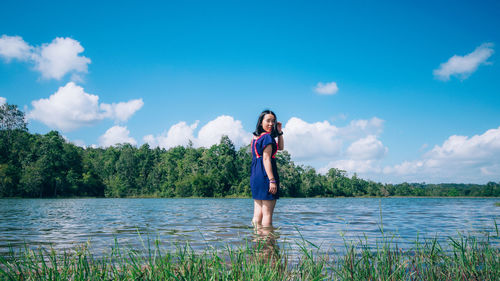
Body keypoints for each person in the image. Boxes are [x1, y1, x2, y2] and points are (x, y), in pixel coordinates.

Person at [250, 110, 284, 227]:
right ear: (261, 122)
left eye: (273, 121)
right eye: (268, 121)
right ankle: (268, 244)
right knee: (267, 214)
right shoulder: (267, 138)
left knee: (257, 214)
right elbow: (266, 159)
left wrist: (279, 133)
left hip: (255, 175)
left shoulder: (256, 138)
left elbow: (280, 147)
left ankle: (256, 242)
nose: (271, 124)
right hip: (266, 175)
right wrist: (272, 180)